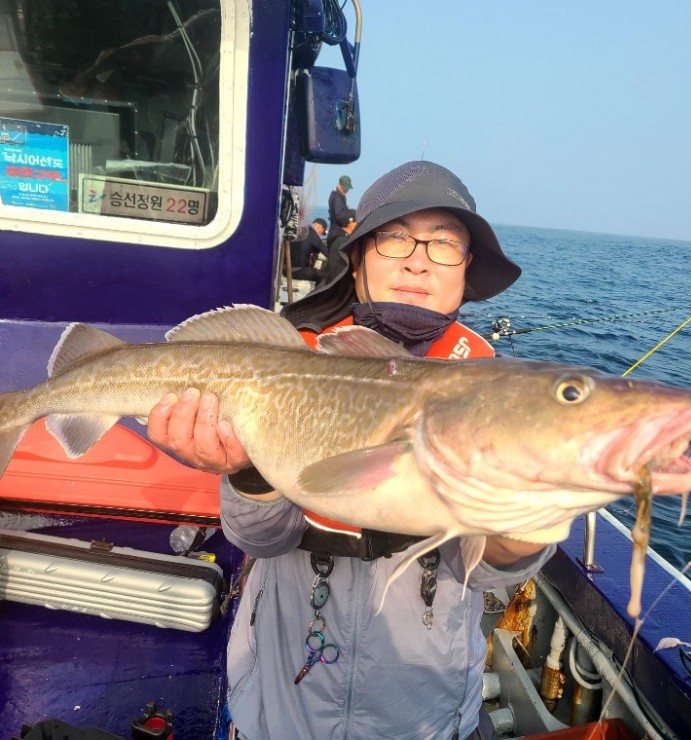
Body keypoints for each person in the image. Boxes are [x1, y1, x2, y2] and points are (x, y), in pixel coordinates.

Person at [147, 161, 557, 740]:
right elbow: (260, 539)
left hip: (425, 717)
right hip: (282, 709)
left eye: (444, 243)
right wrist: (246, 473)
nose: (418, 260)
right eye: (394, 237)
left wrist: (526, 521)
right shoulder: (293, 365)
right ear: (358, 257)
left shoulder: (494, 394)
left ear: (467, 267)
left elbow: (483, 570)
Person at [287, 217, 329, 281]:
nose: (320, 235)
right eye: (321, 233)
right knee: (326, 275)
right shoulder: (312, 233)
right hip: (296, 271)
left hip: (286, 268)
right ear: (320, 227)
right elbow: (327, 252)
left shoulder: (302, 229)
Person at [327, 173, 355, 247]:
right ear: (339, 185)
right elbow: (340, 217)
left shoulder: (339, 195)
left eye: (347, 188)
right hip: (337, 234)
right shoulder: (337, 197)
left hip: (335, 232)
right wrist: (353, 216)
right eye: (344, 188)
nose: (346, 190)